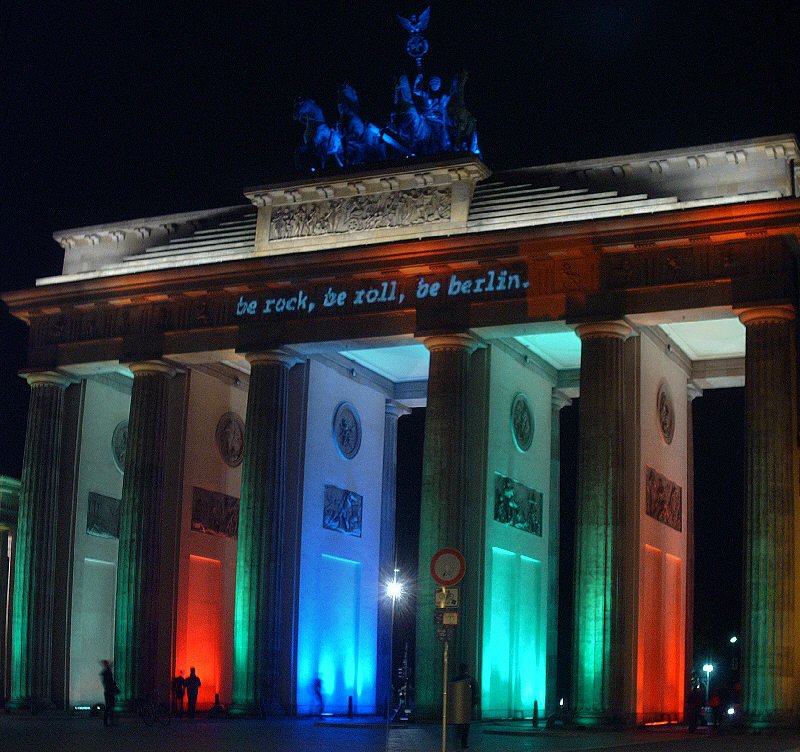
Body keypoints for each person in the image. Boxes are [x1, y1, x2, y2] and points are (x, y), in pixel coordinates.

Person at [452, 663, 478, 750]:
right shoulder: (471, 680)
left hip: (458, 706)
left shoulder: (455, 679)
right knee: (466, 726)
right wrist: (472, 705)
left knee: (458, 724)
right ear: (467, 669)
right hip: (467, 706)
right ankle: (464, 743)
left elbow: (452, 693)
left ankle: (457, 740)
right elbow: (475, 693)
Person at [99, 660, 118, 727]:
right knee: (110, 706)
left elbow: (108, 683)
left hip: (108, 691)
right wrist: (115, 689)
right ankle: (108, 721)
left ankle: (107, 721)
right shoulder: (108, 673)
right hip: (109, 691)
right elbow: (111, 683)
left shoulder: (106, 673)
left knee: (109, 706)